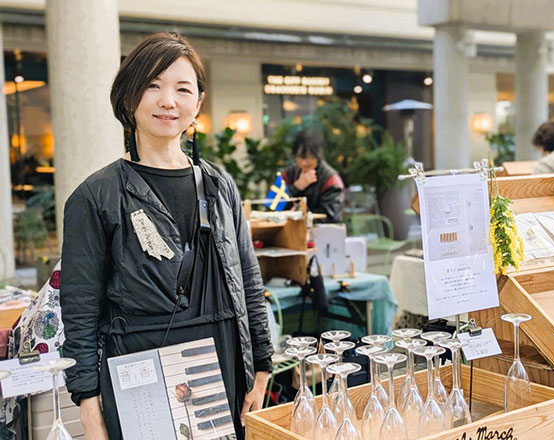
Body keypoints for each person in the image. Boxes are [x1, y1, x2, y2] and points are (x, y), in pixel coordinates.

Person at [60, 33, 272, 440]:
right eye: (153, 86)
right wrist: (89, 407)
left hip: (222, 367)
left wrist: (261, 365)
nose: (168, 101)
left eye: (182, 89)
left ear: (199, 102)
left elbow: (247, 280)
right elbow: (80, 310)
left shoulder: (220, 185)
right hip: (141, 376)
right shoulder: (96, 196)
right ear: (128, 98)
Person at [281, 129, 344, 223]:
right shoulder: (286, 175)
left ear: (318, 155)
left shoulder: (331, 179)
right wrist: (296, 187)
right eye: (300, 157)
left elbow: (332, 216)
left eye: (309, 157)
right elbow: (272, 208)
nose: (304, 163)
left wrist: (302, 216)